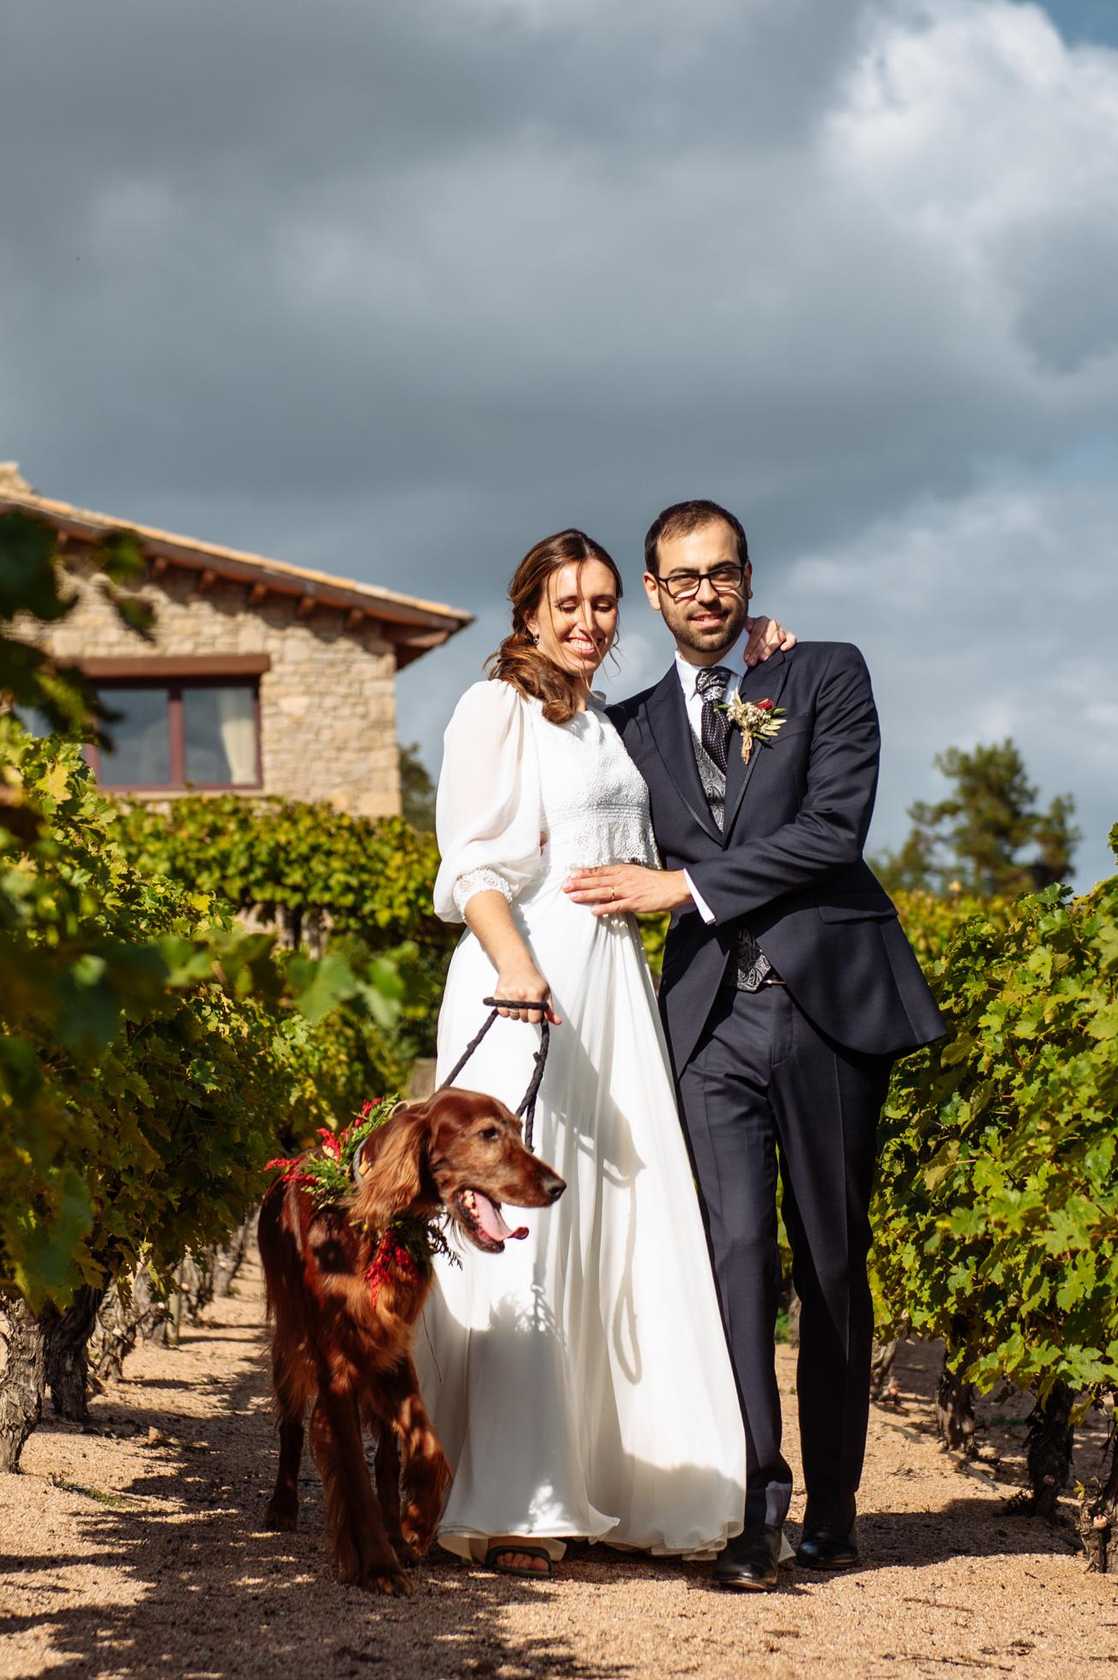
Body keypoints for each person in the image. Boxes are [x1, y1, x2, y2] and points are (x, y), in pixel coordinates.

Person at [563, 499, 946, 1591]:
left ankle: (836, 1508)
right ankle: (753, 1507)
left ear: (747, 577)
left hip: (826, 1008)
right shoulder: (625, 725)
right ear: (652, 592)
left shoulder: (823, 673)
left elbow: (833, 829)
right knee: (732, 1257)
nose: (706, 592)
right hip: (708, 1022)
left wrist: (681, 886)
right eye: (682, 578)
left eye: (722, 572)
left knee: (831, 1262)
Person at [414, 529, 790, 1578]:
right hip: (531, 977)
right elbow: (469, 862)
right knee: (523, 1230)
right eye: (566, 603)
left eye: (604, 602)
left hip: (615, 985)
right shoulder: (496, 706)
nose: (588, 621)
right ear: (528, 611)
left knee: (616, 1224)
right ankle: (514, 1500)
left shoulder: (602, 723)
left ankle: (617, 1481)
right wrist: (517, 967)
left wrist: (760, 654)